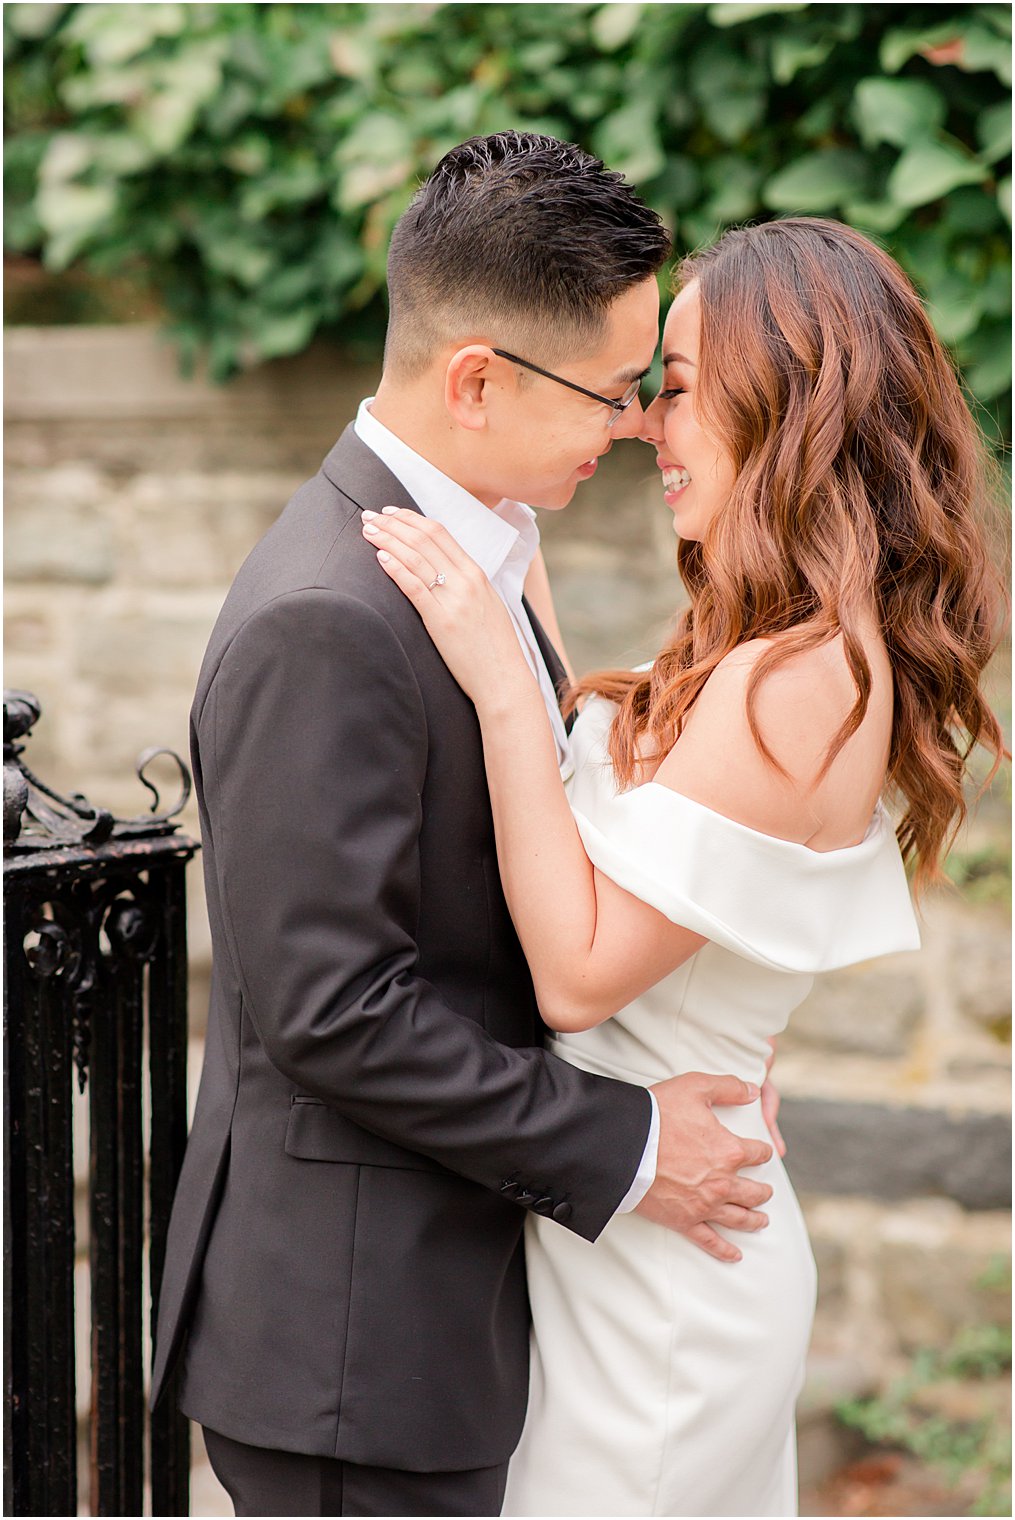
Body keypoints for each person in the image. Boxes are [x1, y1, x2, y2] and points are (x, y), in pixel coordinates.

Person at [149, 133, 784, 1520]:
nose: (634, 426)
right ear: (477, 380)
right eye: (616, 390)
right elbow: (335, 1011)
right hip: (353, 1356)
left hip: (441, 1329)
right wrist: (626, 1141)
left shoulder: (472, 554)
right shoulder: (329, 614)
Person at [365, 215, 1006, 1517]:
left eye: (676, 390)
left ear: (791, 406)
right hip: (614, 1244)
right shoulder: (758, 642)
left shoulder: (805, 676)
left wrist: (497, 680)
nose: (651, 427)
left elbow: (583, 975)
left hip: (664, 1304)